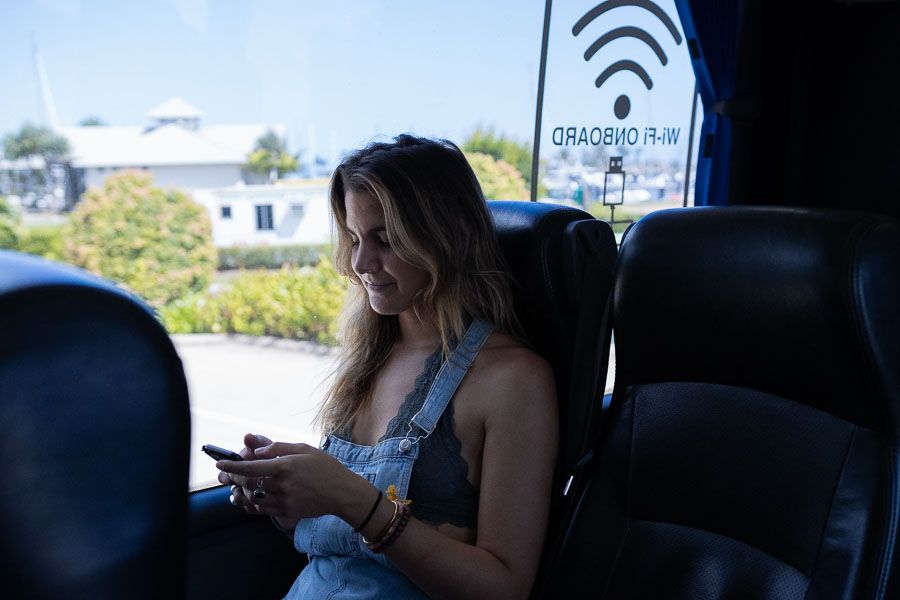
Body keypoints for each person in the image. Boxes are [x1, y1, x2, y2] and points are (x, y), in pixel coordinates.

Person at [215, 134, 558, 599]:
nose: (360, 262)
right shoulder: (369, 358)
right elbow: (334, 540)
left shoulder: (512, 380)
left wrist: (353, 499)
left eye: (386, 239)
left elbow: (504, 587)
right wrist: (282, 495)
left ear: (445, 237)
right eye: (354, 238)